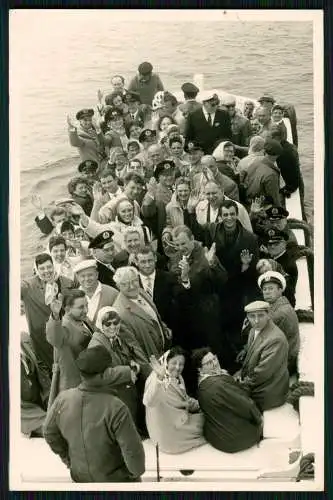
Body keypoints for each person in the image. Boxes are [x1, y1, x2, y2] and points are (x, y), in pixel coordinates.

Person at [43, 347, 145, 482]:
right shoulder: (116, 407)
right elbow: (134, 458)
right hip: (116, 481)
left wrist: (68, 458)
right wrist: (132, 474)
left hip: (79, 478)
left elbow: (48, 432)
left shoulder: (62, 400)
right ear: (104, 373)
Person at [203, 200, 259, 369]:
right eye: (225, 215)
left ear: (237, 215)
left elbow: (253, 274)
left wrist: (245, 266)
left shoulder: (250, 238)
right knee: (216, 328)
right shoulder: (211, 232)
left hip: (236, 290)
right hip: (216, 289)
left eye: (232, 214)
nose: (229, 218)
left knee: (234, 329)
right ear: (219, 216)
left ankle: (236, 363)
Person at [171, 225, 227, 356]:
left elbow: (222, 280)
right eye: (177, 245)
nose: (180, 248)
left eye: (183, 243)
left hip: (206, 315)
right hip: (185, 316)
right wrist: (183, 280)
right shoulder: (175, 257)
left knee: (211, 353)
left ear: (192, 239)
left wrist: (213, 264)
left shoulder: (205, 255)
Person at [192, 347, 263, 453]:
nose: (214, 363)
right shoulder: (218, 384)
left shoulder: (201, 385)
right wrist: (259, 419)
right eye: (208, 363)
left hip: (218, 440)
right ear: (200, 369)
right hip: (236, 440)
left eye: (214, 359)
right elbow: (246, 405)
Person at [143, 347, 206, 454]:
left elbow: (184, 399)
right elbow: (149, 401)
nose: (177, 367)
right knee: (210, 425)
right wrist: (159, 378)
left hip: (177, 421)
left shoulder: (177, 377)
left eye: (181, 364)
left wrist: (200, 405)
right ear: (166, 362)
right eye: (174, 363)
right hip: (168, 432)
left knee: (209, 418)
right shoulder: (156, 379)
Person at [21, 253, 75, 376]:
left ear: (53, 266)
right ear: (36, 270)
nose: (46, 271)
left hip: (67, 335)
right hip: (43, 341)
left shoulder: (67, 282)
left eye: (49, 267)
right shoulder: (27, 286)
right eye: (42, 268)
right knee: (55, 373)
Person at [235, 301, 289, 412]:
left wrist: (241, 385)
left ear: (268, 315)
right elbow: (251, 359)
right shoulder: (253, 330)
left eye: (260, 315)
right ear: (247, 317)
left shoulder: (275, 339)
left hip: (268, 393)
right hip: (259, 384)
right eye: (252, 316)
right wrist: (240, 373)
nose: (256, 320)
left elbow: (262, 373)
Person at [112, 266, 172, 361]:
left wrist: (163, 328)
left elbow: (153, 316)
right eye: (125, 284)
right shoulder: (120, 312)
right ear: (118, 286)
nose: (131, 286)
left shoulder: (141, 292)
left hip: (164, 353)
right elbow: (134, 348)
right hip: (152, 361)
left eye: (134, 281)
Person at [258, 271, 300, 374]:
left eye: (271, 288)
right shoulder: (278, 306)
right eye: (264, 289)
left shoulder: (280, 312)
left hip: (283, 363)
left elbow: (261, 339)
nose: (267, 292)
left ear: (280, 290)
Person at [136, 245, 178, 329]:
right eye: (143, 262)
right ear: (136, 262)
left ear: (155, 258)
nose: (147, 265)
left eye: (150, 261)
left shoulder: (169, 278)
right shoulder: (132, 283)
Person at [21, 332, 50, 437]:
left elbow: (41, 367)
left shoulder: (24, 338)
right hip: (26, 413)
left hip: (42, 399)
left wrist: (50, 397)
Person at [73, 259, 118, 324]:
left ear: (97, 275)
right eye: (82, 276)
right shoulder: (73, 297)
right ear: (77, 278)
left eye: (90, 275)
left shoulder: (112, 293)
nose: (87, 279)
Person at [262, 228, 298, 308]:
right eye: (269, 244)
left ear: (284, 244)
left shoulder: (288, 265)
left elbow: (286, 291)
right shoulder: (277, 258)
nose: (272, 247)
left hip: (283, 305)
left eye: (276, 244)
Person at [242, 138, 283, 209]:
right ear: (277, 155)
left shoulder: (255, 163)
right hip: (259, 209)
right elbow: (275, 200)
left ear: (265, 151)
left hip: (248, 203)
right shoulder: (271, 175)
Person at [269, 124, 302, 198]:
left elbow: (287, 174)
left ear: (276, 138)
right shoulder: (289, 146)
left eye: (270, 137)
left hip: (290, 187)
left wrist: (286, 190)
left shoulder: (283, 153)